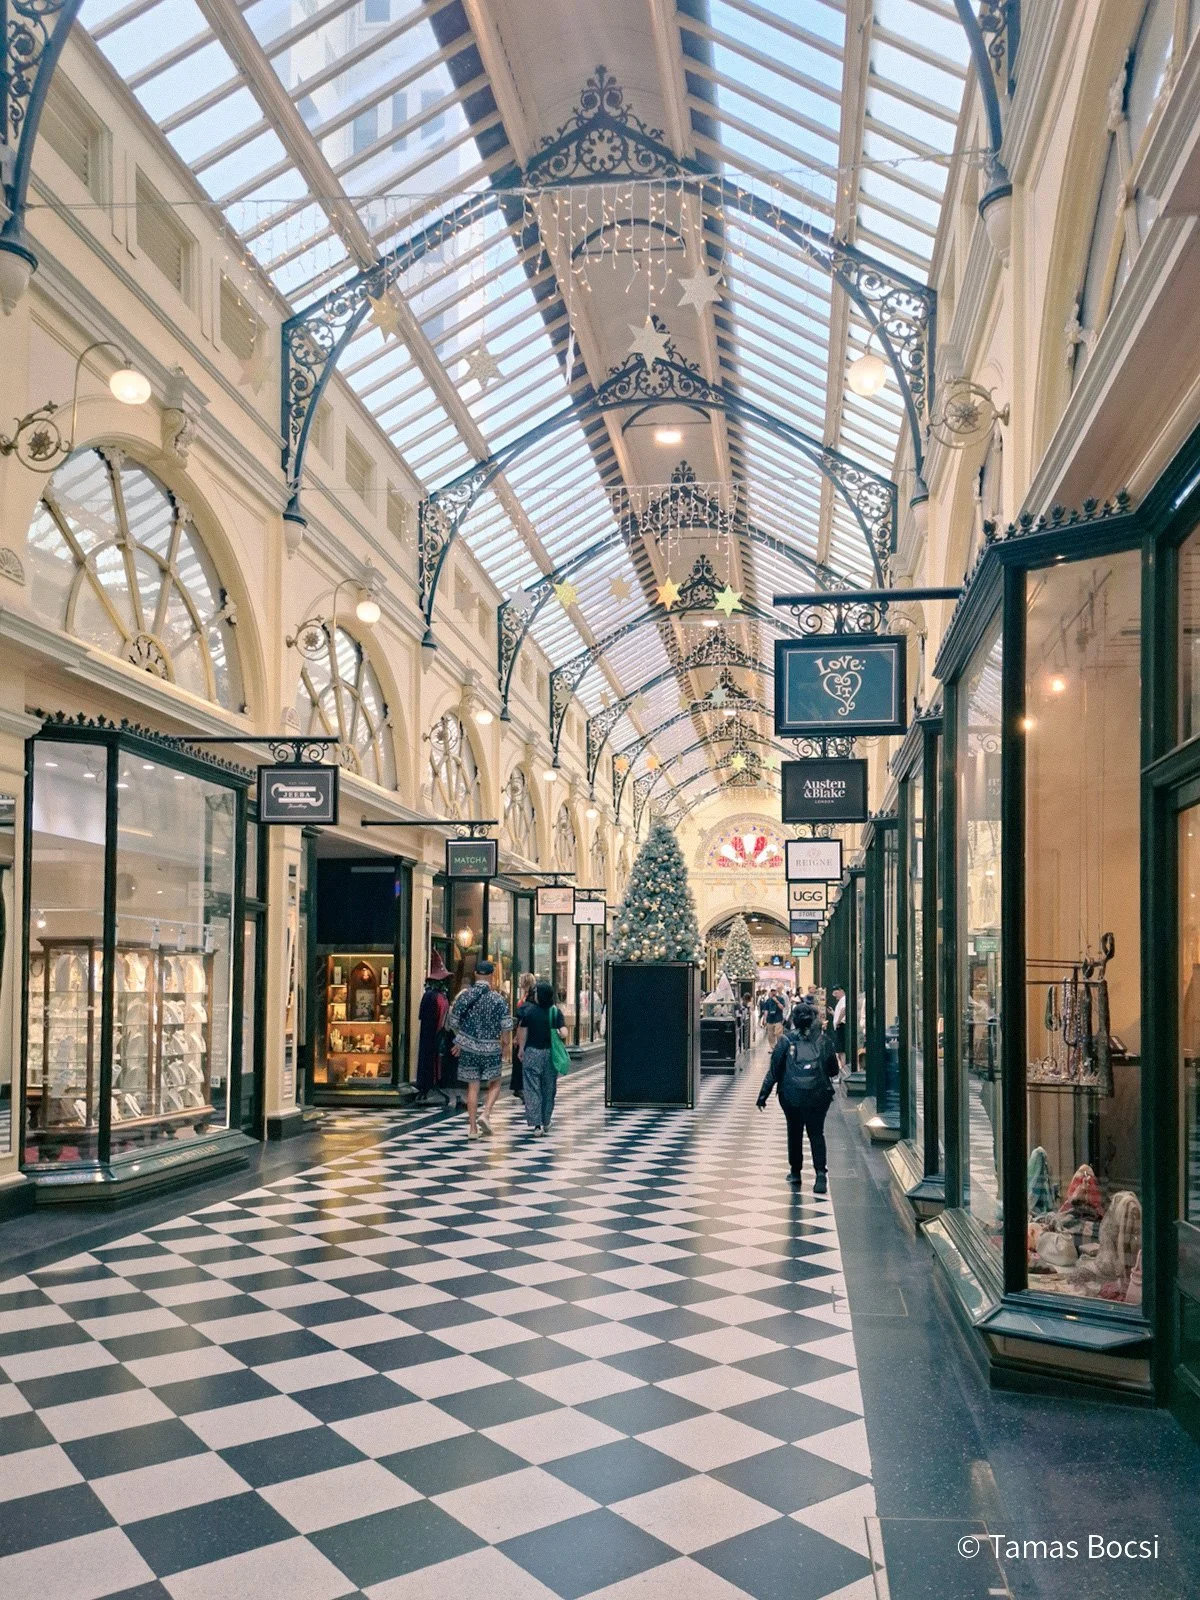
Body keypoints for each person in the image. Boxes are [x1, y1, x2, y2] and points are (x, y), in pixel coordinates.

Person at [757, 1000, 839, 1192]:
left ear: (794, 1019)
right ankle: (820, 1174)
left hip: (791, 1095)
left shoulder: (786, 1040)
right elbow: (834, 1071)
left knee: (794, 1131)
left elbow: (774, 1071)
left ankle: (795, 1172)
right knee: (816, 1133)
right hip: (818, 1095)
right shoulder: (824, 1041)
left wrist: (763, 1095)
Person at [445, 960, 513, 1140]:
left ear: (475, 974)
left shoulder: (464, 996)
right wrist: (506, 1045)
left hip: (469, 1050)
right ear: (492, 975)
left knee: (472, 1087)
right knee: (495, 1082)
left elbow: (453, 1022)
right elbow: (506, 1025)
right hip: (491, 1048)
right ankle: (486, 1113)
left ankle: (473, 1128)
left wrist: (462, 1040)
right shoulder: (498, 999)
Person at [516, 979, 566, 1137]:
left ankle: (536, 1125)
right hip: (550, 1054)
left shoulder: (529, 1011)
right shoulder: (555, 1012)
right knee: (549, 1088)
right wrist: (559, 1033)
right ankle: (546, 1120)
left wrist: (521, 1049)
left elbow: (522, 1031)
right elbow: (564, 1032)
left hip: (532, 1052)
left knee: (532, 1088)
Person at [415, 954, 450, 1102]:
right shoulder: (435, 997)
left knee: (430, 1060)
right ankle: (427, 1085)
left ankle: (428, 1085)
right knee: (430, 1060)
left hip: (433, 1035)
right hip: (433, 1035)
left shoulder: (433, 996)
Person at [511, 972, 536, 1099]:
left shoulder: (528, 998)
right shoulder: (528, 996)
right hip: (524, 1030)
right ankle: (520, 1087)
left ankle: (521, 1087)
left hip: (524, 1031)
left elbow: (522, 1020)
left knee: (520, 1058)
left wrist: (517, 1036)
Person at [832, 985, 847, 1070]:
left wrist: (838, 1021)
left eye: (836, 993)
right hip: (839, 1025)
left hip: (841, 1025)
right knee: (839, 1050)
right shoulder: (841, 1000)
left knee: (841, 1049)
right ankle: (842, 1066)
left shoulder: (844, 999)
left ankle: (843, 1067)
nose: (835, 996)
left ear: (841, 991)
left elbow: (843, 1010)